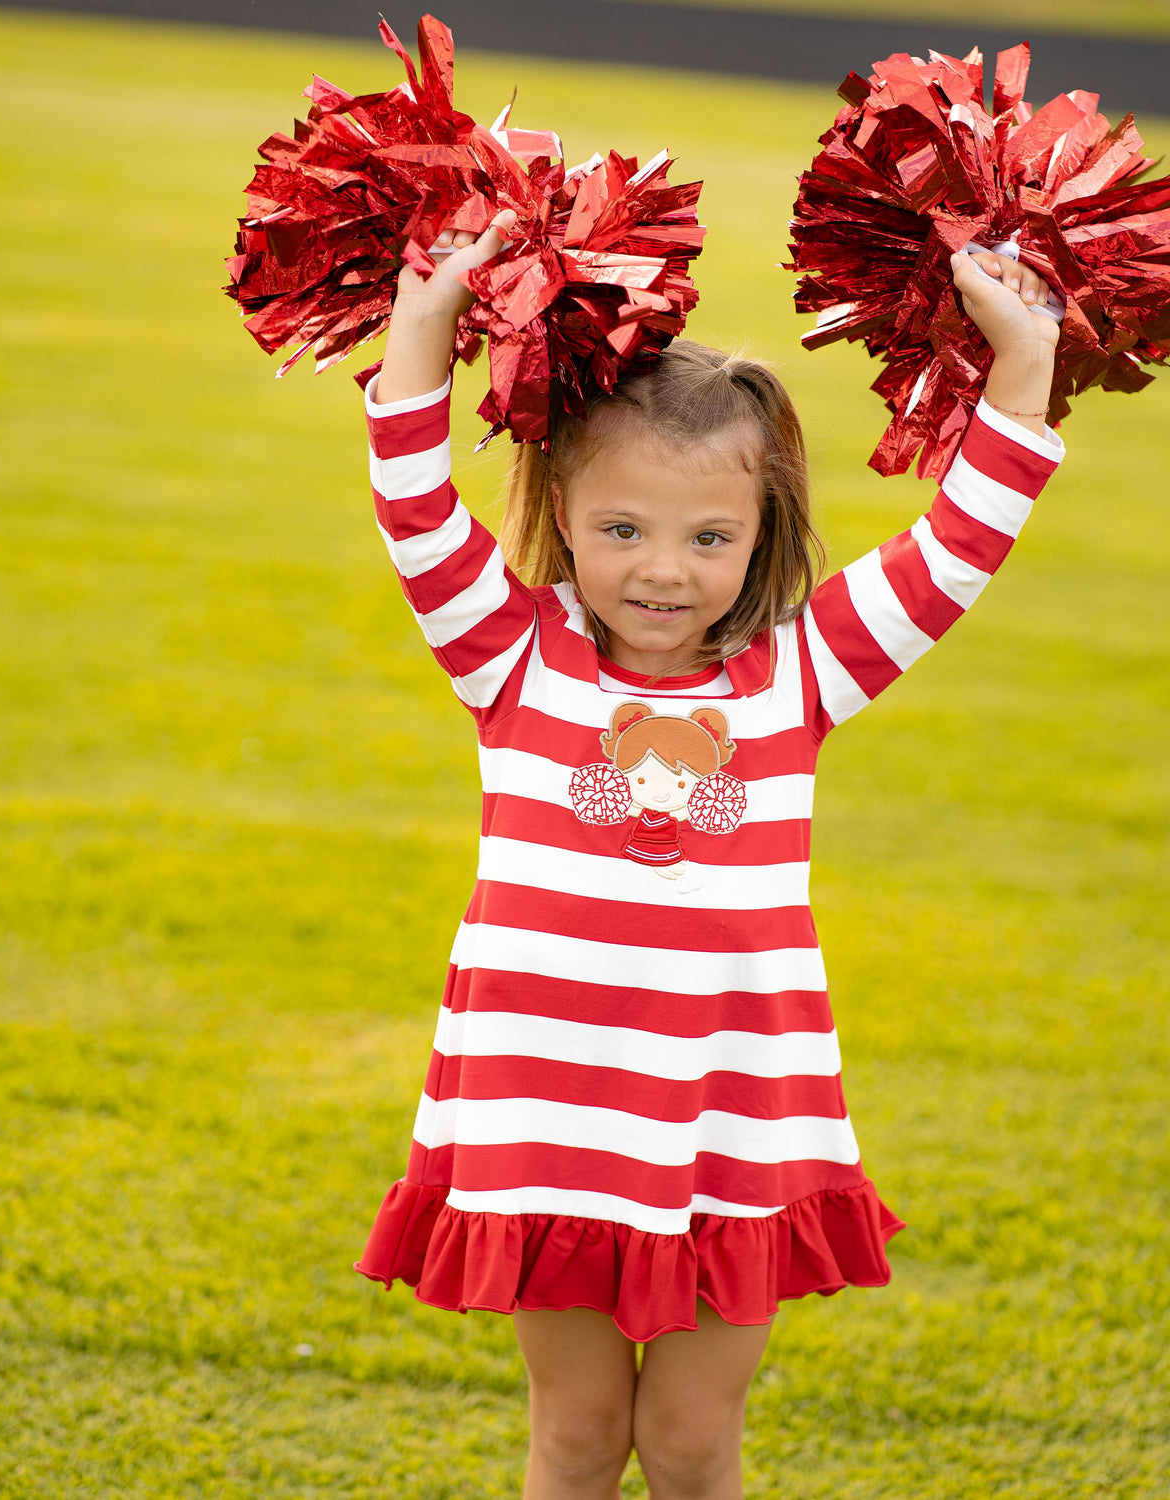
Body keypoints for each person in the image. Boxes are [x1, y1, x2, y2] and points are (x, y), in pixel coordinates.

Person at [354, 208, 1063, 1500]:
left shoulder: (802, 674)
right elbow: (411, 502)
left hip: (734, 1113)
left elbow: (959, 548)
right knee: (573, 1436)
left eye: (708, 538)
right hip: (544, 1115)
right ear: (561, 512)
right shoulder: (509, 655)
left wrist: (1021, 360)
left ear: (761, 532)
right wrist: (421, 323)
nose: (665, 573)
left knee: (689, 1443)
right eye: (623, 530)